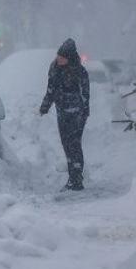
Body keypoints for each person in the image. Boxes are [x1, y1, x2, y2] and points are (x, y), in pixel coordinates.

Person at [40, 38, 90, 191]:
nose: (59, 58)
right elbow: (50, 90)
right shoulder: (55, 69)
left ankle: (76, 178)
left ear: (69, 57)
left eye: (62, 57)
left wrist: (85, 111)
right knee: (66, 145)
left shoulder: (79, 71)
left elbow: (85, 93)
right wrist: (45, 107)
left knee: (74, 144)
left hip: (76, 113)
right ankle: (73, 176)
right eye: (58, 56)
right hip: (62, 112)